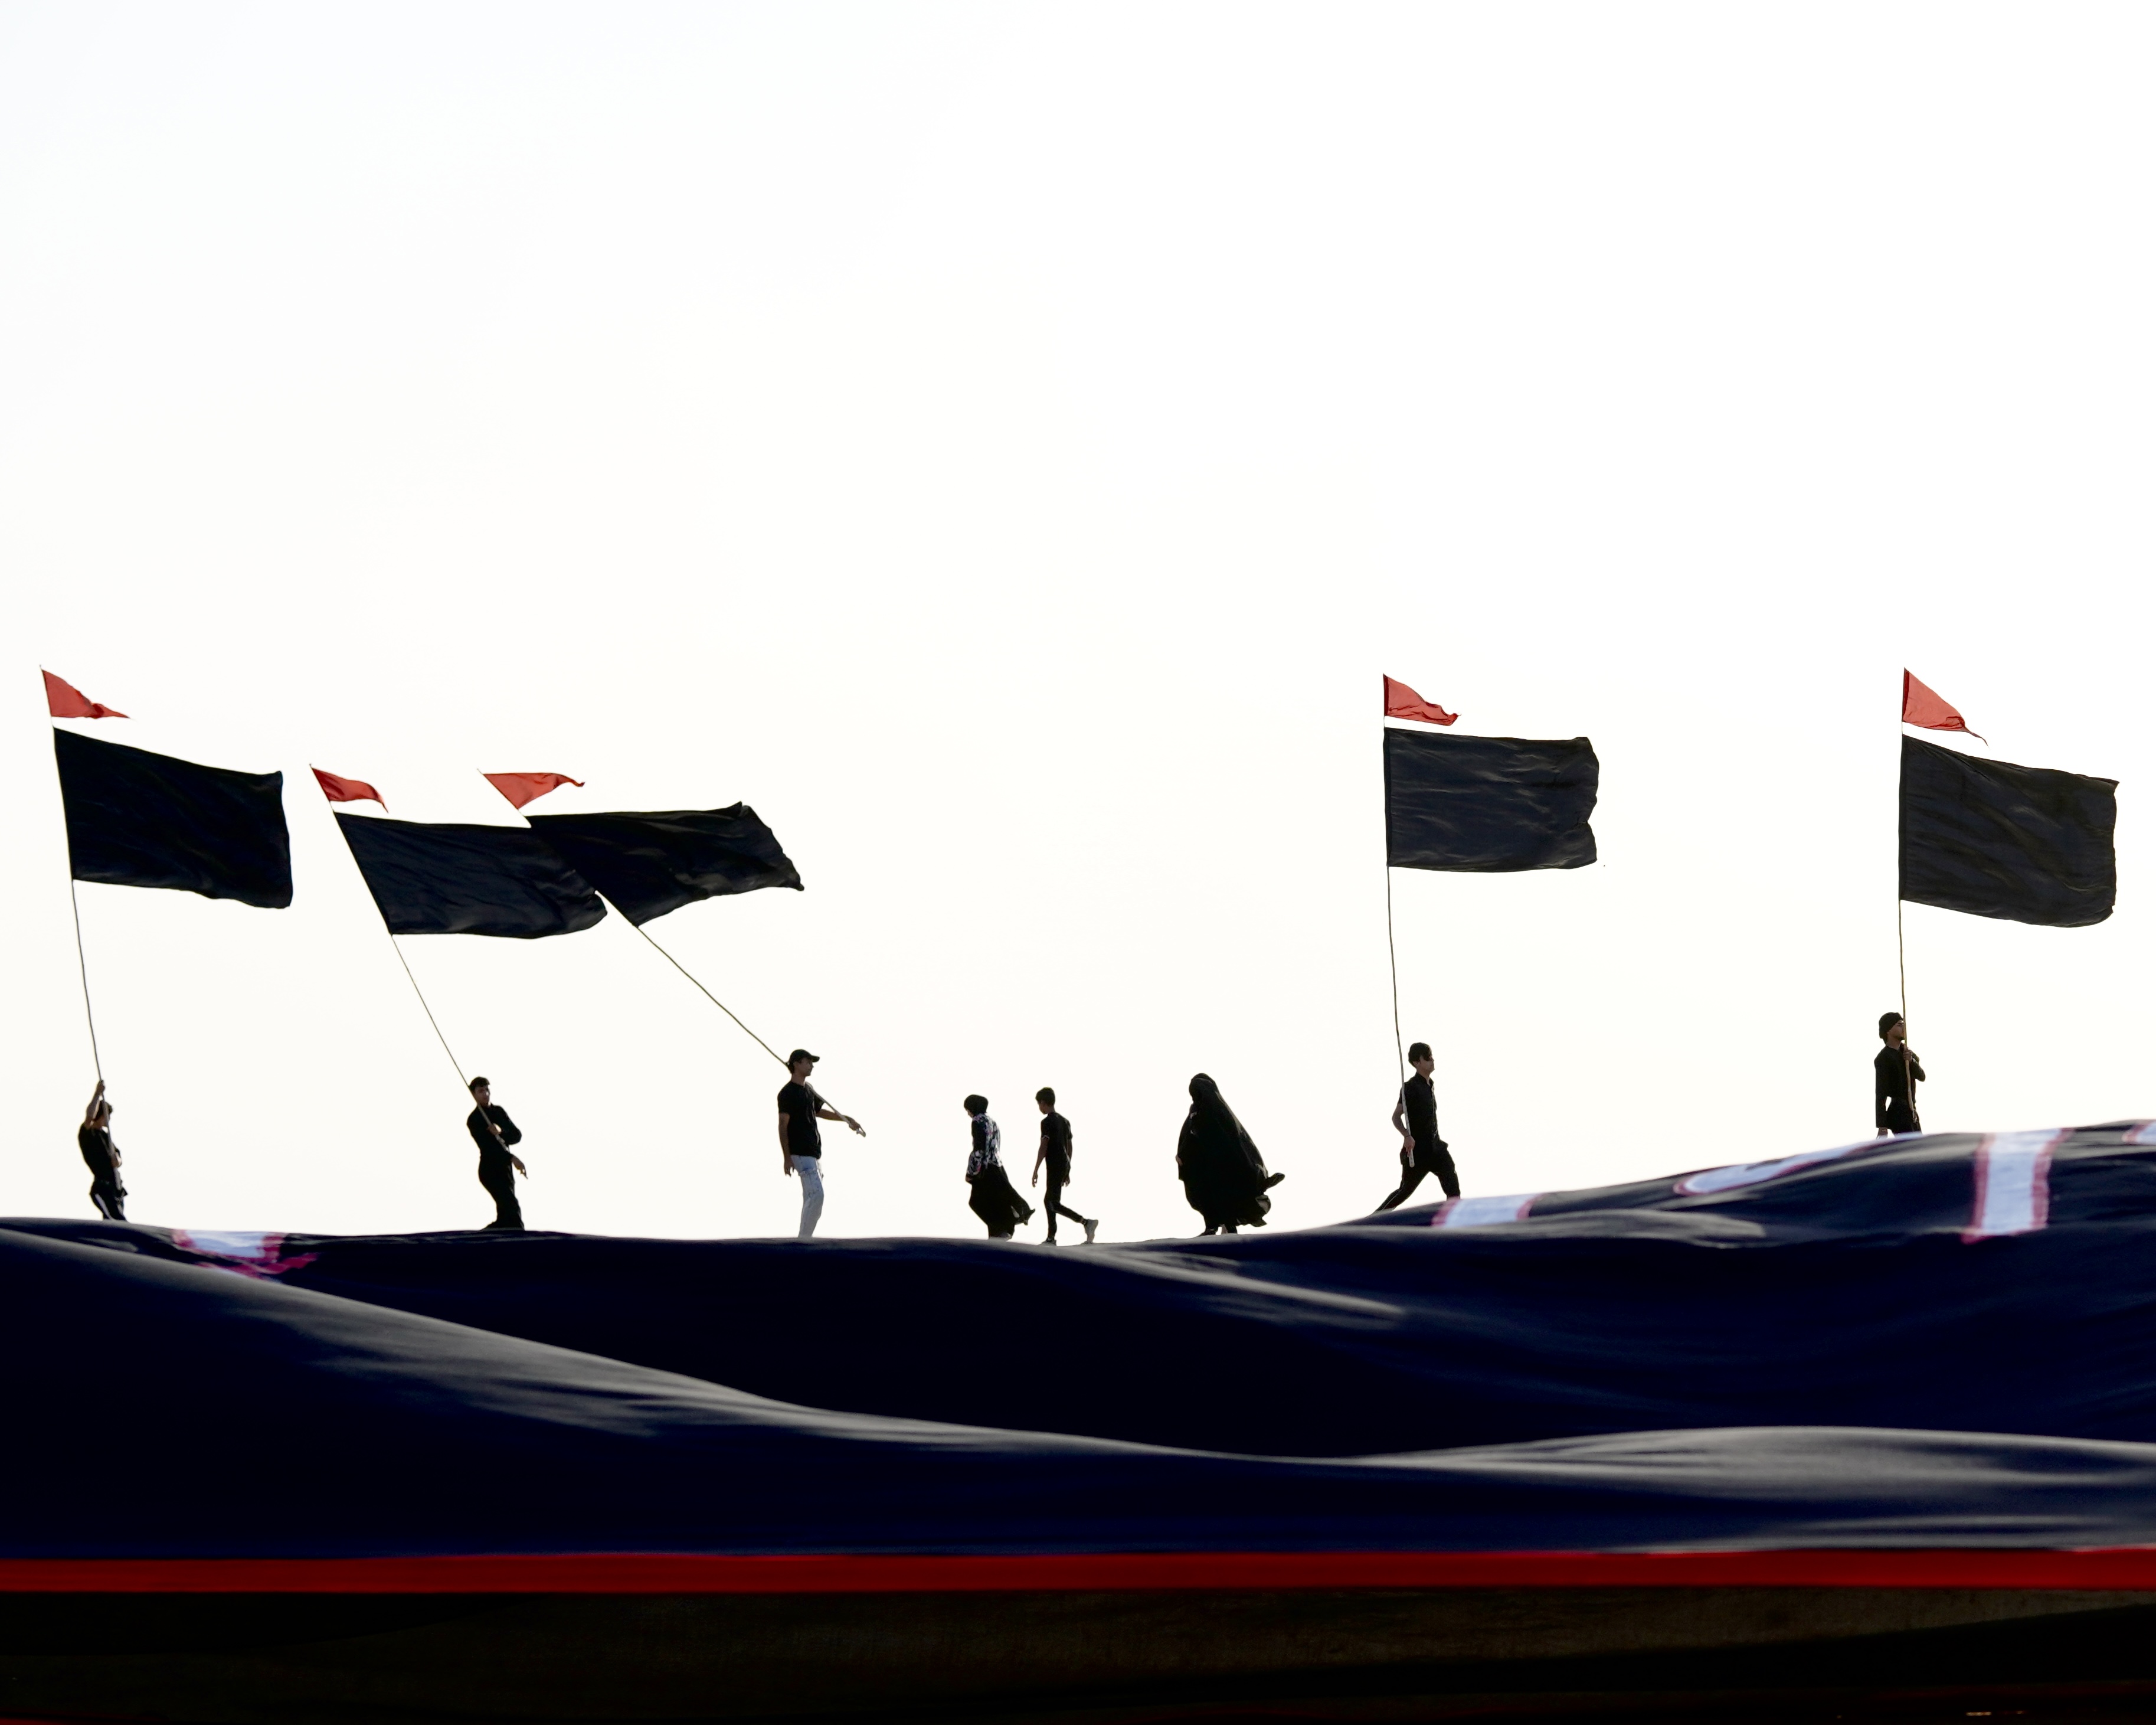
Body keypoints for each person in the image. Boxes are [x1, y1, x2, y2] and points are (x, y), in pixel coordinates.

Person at [1176, 1073, 1282, 1235]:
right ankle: (1211, 1226)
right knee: (1204, 1194)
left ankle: (1228, 1225)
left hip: (1223, 1165)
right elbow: (1189, 1137)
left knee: (1224, 1193)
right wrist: (1183, 1157)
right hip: (1203, 1165)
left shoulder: (1219, 1111)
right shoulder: (1195, 1113)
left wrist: (1256, 1175)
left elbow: (1239, 1143)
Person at [777, 1050, 863, 1240]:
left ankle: (804, 1239)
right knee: (816, 1195)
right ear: (796, 1064)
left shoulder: (809, 1090)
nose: (812, 1066)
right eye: (808, 1062)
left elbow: (818, 1112)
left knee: (812, 1197)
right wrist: (787, 1157)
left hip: (814, 1152)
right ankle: (803, 1241)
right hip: (800, 1152)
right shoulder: (787, 1093)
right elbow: (783, 1125)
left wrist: (846, 1119)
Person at [1029, 1087, 1098, 1246]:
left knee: (1052, 1203)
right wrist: (1068, 1168)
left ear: (1043, 1103)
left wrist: (1036, 1169)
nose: (1039, 1108)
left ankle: (1086, 1223)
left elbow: (1044, 1146)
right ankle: (1051, 1237)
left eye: (1039, 1104)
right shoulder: (1065, 1121)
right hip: (1063, 1164)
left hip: (1054, 1165)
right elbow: (1069, 1146)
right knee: (1050, 1201)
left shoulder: (1047, 1122)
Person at [464, 1076, 528, 1230]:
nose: (485, 1094)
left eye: (487, 1090)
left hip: (505, 1169)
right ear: (474, 1094)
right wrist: (512, 1158)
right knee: (512, 1208)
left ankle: (490, 1235)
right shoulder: (474, 1120)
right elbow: (489, 1149)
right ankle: (516, 1236)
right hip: (490, 1169)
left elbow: (516, 1136)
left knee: (506, 1216)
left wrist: (501, 1131)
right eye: (481, 1091)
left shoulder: (498, 1111)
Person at [78, 1080, 126, 1221]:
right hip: (102, 1188)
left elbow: (118, 1158)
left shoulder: (106, 1137)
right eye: (107, 1116)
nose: (109, 1120)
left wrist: (117, 1161)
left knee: (114, 1221)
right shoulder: (88, 1134)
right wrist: (97, 1094)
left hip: (115, 1188)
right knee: (116, 1221)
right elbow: (89, 1117)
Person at [1875, 1012, 1925, 1135]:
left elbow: (1921, 1076)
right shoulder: (1884, 1058)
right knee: (1911, 1145)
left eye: (1903, 1025)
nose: (1903, 1028)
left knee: (1919, 1145)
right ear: (1888, 1030)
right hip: (1898, 1111)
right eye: (1899, 1025)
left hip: (1911, 1110)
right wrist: (1882, 1125)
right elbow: (1881, 1094)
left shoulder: (1907, 1052)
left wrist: (1911, 1061)